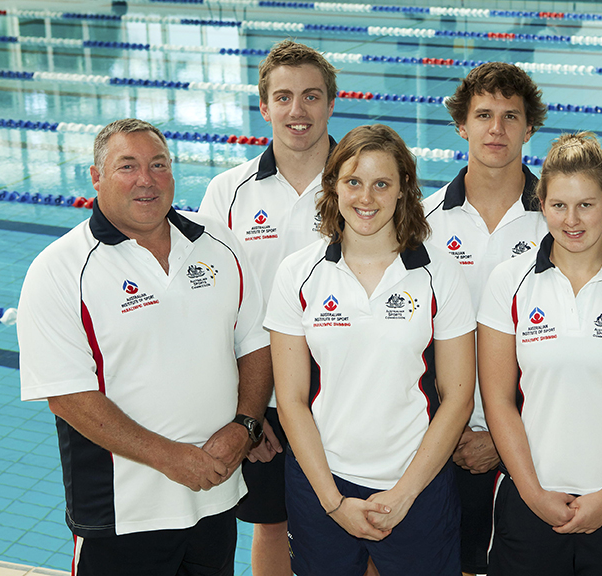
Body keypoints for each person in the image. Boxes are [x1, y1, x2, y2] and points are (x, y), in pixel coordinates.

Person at [17, 118, 271, 575]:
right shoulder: (59, 270)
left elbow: (254, 342)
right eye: (127, 166)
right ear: (96, 178)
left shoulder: (218, 243)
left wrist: (246, 425)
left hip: (215, 497)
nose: (146, 180)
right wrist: (170, 458)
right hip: (122, 513)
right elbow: (67, 397)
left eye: (158, 164)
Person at [264, 124, 475, 575]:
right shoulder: (298, 274)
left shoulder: (441, 273)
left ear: (403, 191)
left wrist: (404, 495)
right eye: (353, 182)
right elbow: (292, 400)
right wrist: (333, 502)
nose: (367, 197)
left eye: (382, 183)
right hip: (322, 479)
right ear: (333, 187)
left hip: (417, 480)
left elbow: (458, 398)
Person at [478, 132, 602, 575]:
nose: (572, 220)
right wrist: (532, 493)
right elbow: (498, 400)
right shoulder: (508, 282)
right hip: (528, 499)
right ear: (542, 204)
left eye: (586, 204)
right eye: (558, 205)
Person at [198, 39, 337, 576]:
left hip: (350, 393)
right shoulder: (228, 192)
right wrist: (246, 415)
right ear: (264, 106)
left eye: (310, 96)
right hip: (267, 397)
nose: (297, 111)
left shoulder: (364, 186)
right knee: (270, 523)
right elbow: (210, 307)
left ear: (331, 103)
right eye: (284, 97)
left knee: (361, 522)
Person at [422, 61, 548, 575]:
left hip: (534, 441)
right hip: (439, 442)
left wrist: (503, 438)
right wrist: (447, 434)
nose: (496, 129)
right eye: (484, 115)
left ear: (529, 128)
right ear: (461, 124)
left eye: (510, 117)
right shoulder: (424, 223)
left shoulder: (559, 220)